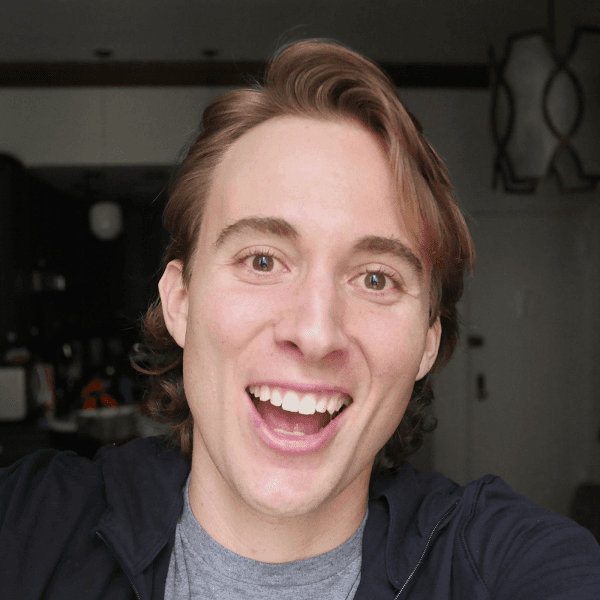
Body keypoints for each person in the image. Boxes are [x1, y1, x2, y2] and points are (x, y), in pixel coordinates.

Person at [1, 38, 599, 600]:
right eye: (262, 261)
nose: (315, 334)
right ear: (179, 301)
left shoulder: (502, 563)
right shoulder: (27, 524)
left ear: (427, 342)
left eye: (375, 279)